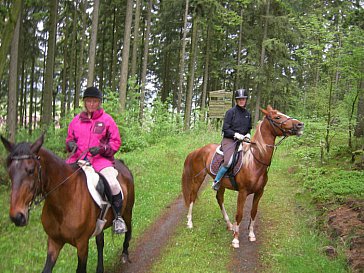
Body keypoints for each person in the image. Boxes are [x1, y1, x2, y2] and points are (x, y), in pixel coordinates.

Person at [65, 86, 127, 234]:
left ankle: (118, 218)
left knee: (113, 183)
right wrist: (70, 144)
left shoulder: (107, 120)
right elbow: (69, 139)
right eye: (88, 101)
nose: (91, 104)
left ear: (99, 102)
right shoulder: (76, 121)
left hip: (100, 161)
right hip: (78, 159)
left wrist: (102, 149)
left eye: (94, 101)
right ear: (84, 103)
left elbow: (116, 142)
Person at [212, 88, 252, 191]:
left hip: (243, 140)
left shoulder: (248, 114)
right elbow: (225, 129)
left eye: (243, 99)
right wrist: (236, 134)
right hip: (229, 140)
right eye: (239, 99)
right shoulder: (230, 112)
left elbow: (248, 129)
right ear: (236, 100)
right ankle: (217, 181)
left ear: (246, 100)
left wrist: (247, 135)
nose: (241, 101)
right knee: (228, 161)